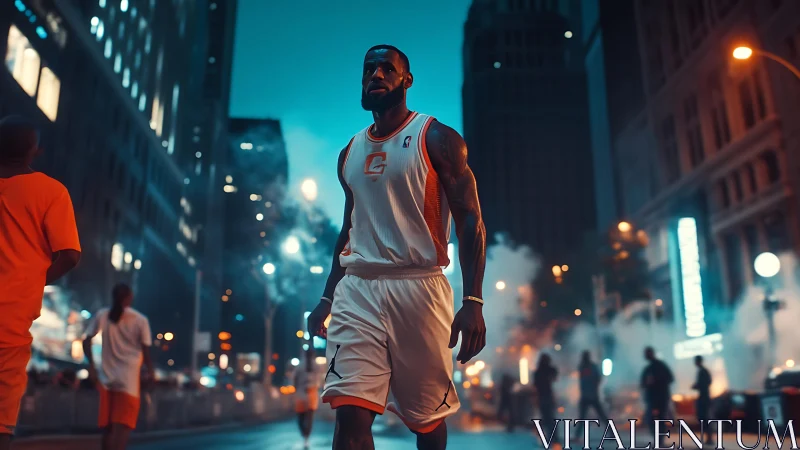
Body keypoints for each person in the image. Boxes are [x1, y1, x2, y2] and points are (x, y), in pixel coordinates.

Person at [306, 44, 487, 450]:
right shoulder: (349, 152)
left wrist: (473, 299)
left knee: (427, 421)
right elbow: (348, 229)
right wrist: (326, 296)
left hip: (419, 286)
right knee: (350, 412)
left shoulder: (438, 138)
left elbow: (472, 222)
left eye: (387, 68)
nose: (376, 74)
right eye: (369, 68)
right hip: (358, 288)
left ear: (407, 80)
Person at [0, 116, 81, 449]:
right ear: (34, 151)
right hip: (11, 317)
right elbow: (70, 254)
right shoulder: (50, 191)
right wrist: (35, 279)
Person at [83, 283, 154, 450]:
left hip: (106, 380)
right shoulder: (140, 320)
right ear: (129, 297)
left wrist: (92, 367)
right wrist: (151, 373)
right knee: (122, 429)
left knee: (108, 429)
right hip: (128, 383)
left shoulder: (102, 315)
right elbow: (146, 352)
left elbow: (86, 340)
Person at [640, 347, 674, 448]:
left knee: (660, 420)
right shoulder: (648, 369)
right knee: (651, 419)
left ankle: (660, 441)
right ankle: (658, 440)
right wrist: (647, 383)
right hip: (652, 398)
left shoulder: (660, 366)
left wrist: (656, 381)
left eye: (647, 353)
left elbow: (670, 378)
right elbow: (643, 383)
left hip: (661, 397)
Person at [295, 346, 322, 448]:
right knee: (309, 417)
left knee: (301, 417)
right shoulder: (316, 366)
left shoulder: (300, 365)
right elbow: (319, 381)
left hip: (302, 394)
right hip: (312, 395)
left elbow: (294, 379)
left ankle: (304, 434)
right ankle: (306, 436)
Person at [578, 351, 608, 423]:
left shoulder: (583, 367)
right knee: (602, 416)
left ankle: (577, 434)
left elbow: (598, 379)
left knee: (582, 419)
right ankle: (612, 432)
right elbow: (598, 379)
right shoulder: (589, 367)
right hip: (591, 395)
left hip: (589, 396)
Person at [533, 354, 559, 435]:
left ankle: (548, 435)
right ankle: (553, 436)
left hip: (542, 397)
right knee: (550, 417)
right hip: (548, 396)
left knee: (546, 417)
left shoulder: (538, 372)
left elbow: (536, 387)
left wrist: (536, 399)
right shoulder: (549, 370)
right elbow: (555, 376)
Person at [692, 355, 712, 444]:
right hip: (705, 397)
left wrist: (697, 386)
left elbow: (704, 383)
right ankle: (708, 438)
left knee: (704, 418)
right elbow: (709, 382)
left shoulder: (702, 371)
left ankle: (708, 438)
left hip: (703, 398)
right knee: (704, 418)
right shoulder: (703, 371)